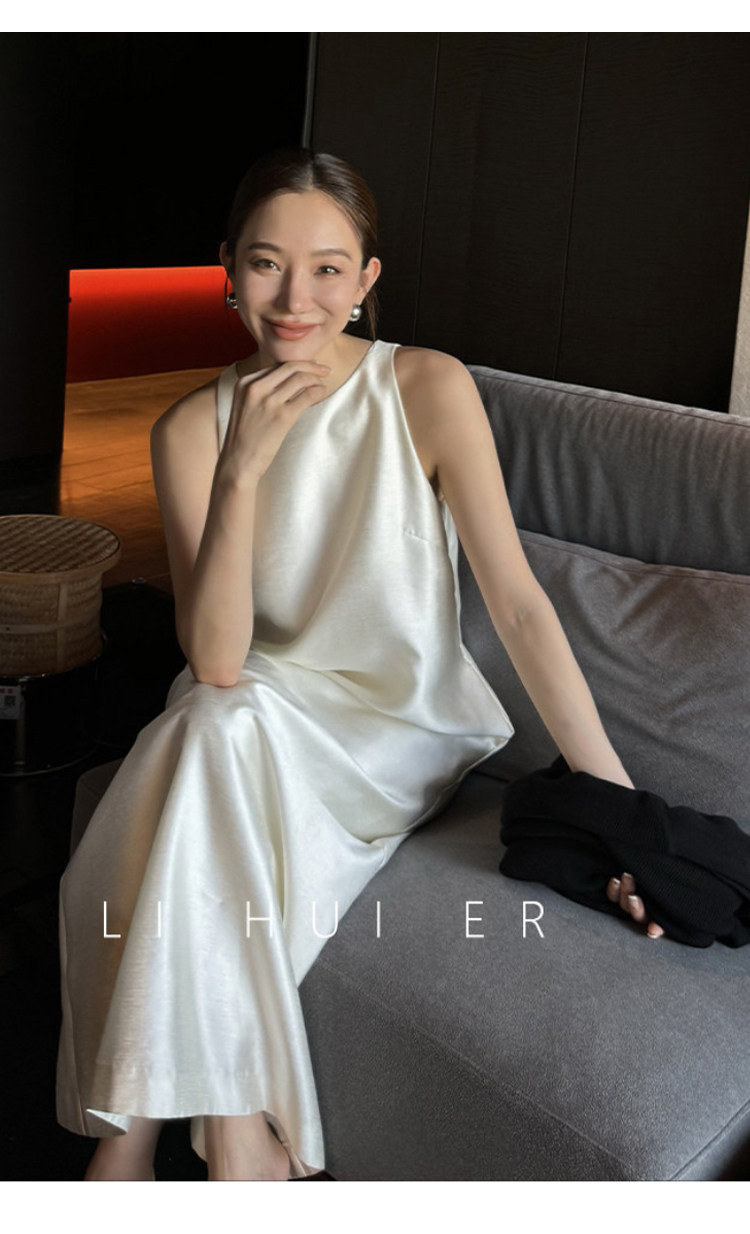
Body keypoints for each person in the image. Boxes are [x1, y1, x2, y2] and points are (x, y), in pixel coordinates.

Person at [56, 145, 662, 1185]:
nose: (296, 299)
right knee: (211, 718)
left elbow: (518, 604)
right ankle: (229, 1136)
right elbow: (218, 659)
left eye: (329, 268)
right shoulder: (188, 430)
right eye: (266, 264)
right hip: (251, 713)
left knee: (202, 733)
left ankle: (131, 1147)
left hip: (394, 728)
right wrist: (241, 468)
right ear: (226, 269)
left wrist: (617, 803)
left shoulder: (424, 386)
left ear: (367, 279)